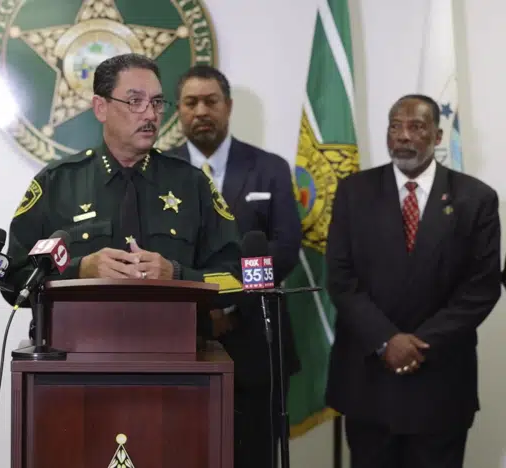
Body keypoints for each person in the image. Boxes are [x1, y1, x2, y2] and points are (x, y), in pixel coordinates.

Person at [3, 53, 243, 329]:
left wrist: (177, 275)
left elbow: (236, 280)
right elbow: (12, 280)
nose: (151, 114)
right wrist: (79, 270)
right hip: (75, 359)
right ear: (100, 107)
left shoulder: (192, 184)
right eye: (135, 101)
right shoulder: (57, 183)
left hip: (177, 358)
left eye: (156, 102)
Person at [325, 94, 501, 468]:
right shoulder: (353, 192)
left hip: (440, 381)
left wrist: (418, 345)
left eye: (416, 127)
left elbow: (481, 288)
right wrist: (386, 340)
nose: (403, 136)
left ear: (437, 136)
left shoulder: (476, 199)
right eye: (394, 126)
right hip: (368, 380)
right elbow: (341, 278)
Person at [172, 64, 302, 468]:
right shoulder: (158, 171)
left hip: (256, 341)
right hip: (181, 338)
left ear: (227, 106)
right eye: (191, 102)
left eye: (211, 101)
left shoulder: (270, 168)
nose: (201, 111)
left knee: (255, 455)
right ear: (178, 110)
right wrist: (204, 305)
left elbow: (284, 248)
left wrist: (228, 302)